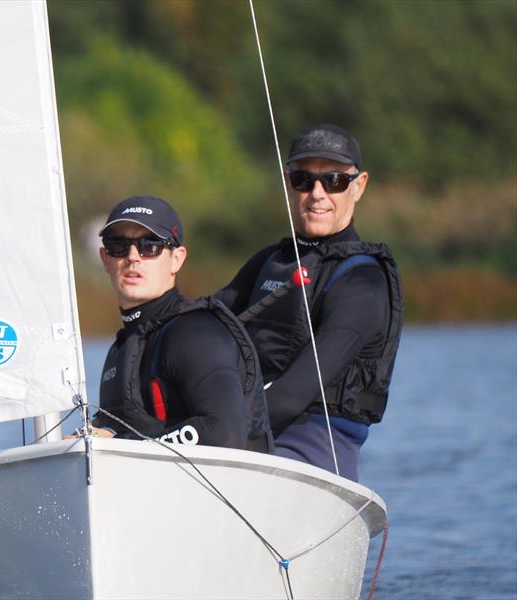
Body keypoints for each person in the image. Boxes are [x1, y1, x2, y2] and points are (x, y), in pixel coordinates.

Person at [216, 124, 404, 481]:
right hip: (246, 434)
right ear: (289, 183)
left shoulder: (362, 282)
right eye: (304, 180)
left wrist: (211, 428)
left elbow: (290, 397)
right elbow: (197, 330)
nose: (318, 194)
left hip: (316, 448)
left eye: (334, 181)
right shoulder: (268, 262)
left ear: (359, 186)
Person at [87, 195, 272, 452]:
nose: (132, 256)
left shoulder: (195, 334)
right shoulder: (119, 351)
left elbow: (225, 433)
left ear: (177, 259)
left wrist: (124, 445)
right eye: (118, 245)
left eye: (149, 245)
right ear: (105, 259)